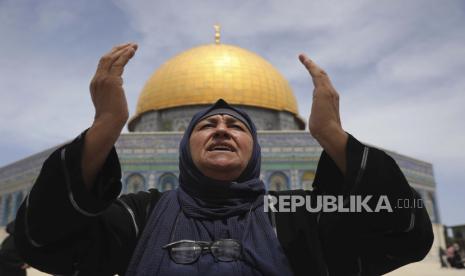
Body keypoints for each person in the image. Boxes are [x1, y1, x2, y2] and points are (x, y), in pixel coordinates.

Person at [14, 43, 433, 276]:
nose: (220, 129)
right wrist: (105, 128)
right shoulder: (141, 215)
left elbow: (405, 230)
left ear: (256, 149)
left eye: (236, 125)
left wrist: (331, 136)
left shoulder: (297, 219)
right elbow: (42, 239)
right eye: (205, 123)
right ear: (183, 146)